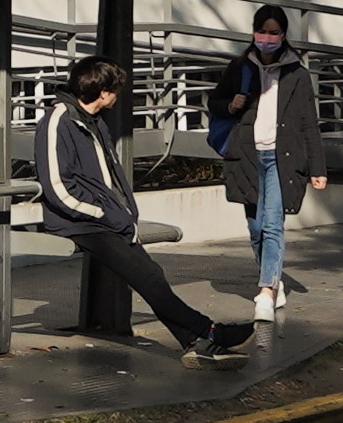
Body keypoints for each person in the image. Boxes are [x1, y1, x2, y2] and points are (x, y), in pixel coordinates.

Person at [36, 53, 256, 362]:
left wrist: (122, 214)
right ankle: (210, 332)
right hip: (82, 223)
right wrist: (105, 215)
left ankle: (193, 340)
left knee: (150, 275)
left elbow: (108, 177)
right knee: (148, 277)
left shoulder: (92, 121)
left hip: (107, 221)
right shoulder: (58, 122)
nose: (118, 96)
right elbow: (58, 186)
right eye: (116, 90)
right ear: (104, 93)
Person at [211, 3, 327, 322]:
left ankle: (266, 291)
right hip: (246, 156)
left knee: (273, 222)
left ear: (283, 35)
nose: (267, 37)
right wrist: (231, 105)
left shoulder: (297, 74)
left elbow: (309, 124)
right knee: (256, 227)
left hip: (282, 158)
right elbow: (214, 103)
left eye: (274, 32)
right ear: (253, 32)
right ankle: (274, 278)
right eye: (262, 31)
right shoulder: (239, 68)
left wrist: (318, 168)